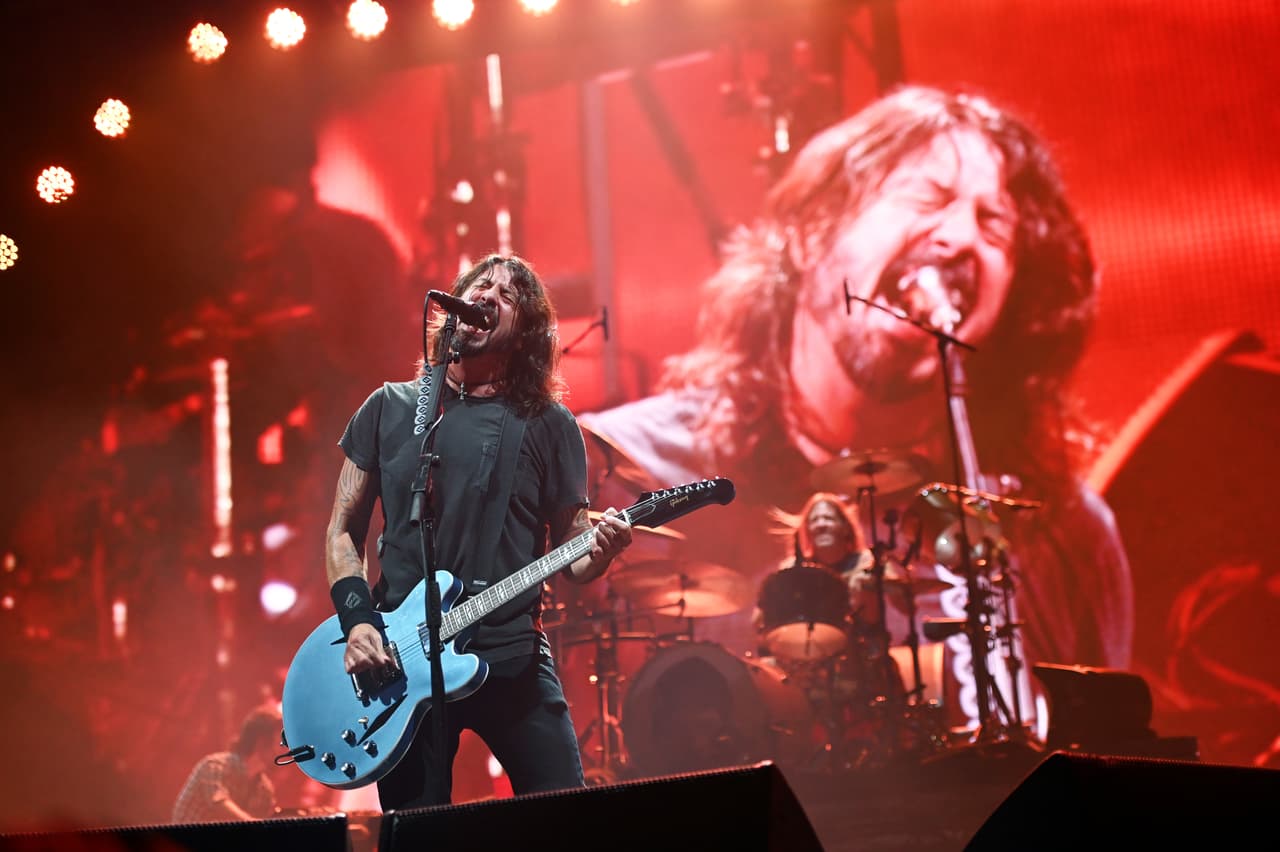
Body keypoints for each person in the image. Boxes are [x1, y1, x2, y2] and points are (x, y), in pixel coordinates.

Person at [579, 84, 1133, 732]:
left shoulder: (1062, 533)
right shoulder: (621, 474)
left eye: (994, 225)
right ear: (813, 232)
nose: (958, 236)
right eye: (929, 197)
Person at [325, 253, 633, 809]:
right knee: (416, 837)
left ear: (526, 333)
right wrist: (356, 623)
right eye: (480, 285)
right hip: (404, 666)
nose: (490, 294)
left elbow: (575, 558)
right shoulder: (389, 409)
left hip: (510, 657)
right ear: (453, 309)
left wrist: (602, 552)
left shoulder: (549, 425)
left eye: (509, 294)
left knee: (568, 819)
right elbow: (343, 530)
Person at [172, 706, 282, 823]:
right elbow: (220, 805)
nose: (288, 750)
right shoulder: (215, 766)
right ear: (261, 740)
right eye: (281, 742)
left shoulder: (265, 791)